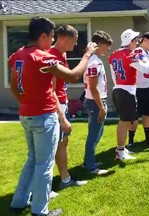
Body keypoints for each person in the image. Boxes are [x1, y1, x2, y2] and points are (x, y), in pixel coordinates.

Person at [9, 16, 97, 216]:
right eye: (51, 37)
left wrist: (24, 103)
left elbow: (14, 83)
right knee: (44, 165)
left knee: (32, 160)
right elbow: (73, 75)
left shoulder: (18, 54)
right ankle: (40, 210)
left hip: (26, 115)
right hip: (44, 116)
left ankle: (19, 201)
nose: (51, 42)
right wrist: (87, 55)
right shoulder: (43, 57)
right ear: (43, 36)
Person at [109, 29, 149, 160]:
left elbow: (114, 76)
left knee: (126, 122)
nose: (137, 42)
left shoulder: (114, 54)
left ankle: (122, 149)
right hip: (127, 91)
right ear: (131, 41)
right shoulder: (130, 54)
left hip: (119, 88)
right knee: (124, 122)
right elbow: (145, 68)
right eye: (136, 40)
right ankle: (120, 152)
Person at [49, 25, 88, 191]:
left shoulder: (62, 54)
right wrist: (62, 116)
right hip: (55, 107)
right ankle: (50, 185)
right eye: (75, 40)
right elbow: (50, 89)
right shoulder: (52, 56)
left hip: (62, 103)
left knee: (62, 143)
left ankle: (64, 178)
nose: (76, 44)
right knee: (53, 147)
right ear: (65, 39)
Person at [82, 30, 113, 174]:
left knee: (97, 134)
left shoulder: (94, 60)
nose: (108, 48)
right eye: (107, 45)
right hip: (95, 102)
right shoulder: (94, 62)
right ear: (99, 44)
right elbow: (93, 88)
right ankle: (89, 166)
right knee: (93, 135)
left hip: (96, 101)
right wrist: (101, 107)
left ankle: (89, 160)